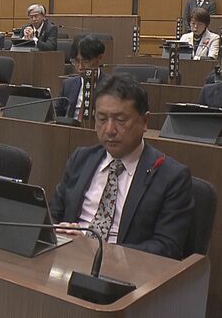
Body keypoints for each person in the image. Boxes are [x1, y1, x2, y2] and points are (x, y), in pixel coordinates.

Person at [50, 75, 193, 260]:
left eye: (121, 120)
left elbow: (167, 248)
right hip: (69, 260)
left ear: (145, 121)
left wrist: (100, 250)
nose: (109, 129)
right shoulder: (81, 158)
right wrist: (58, 232)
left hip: (128, 275)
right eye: (102, 119)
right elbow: (53, 214)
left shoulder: (172, 177)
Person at [55, 35, 109, 120]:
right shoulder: (68, 85)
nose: (80, 67)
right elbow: (56, 116)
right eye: (76, 61)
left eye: (85, 61)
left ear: (99, 58)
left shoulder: (110, 86)